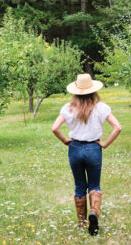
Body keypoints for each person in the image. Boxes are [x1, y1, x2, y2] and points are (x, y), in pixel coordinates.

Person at [51, 73, 122, 236]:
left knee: (79, 186)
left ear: (76, 91)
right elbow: (117, 127)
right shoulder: (101, 107)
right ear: (93, 90)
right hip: (93, 148)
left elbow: (55, 128)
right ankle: (94, 213)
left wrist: (64, 140)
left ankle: (82, 223)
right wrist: (105, 144)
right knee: (94, 185)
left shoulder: (68, 108)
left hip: (75, 148)